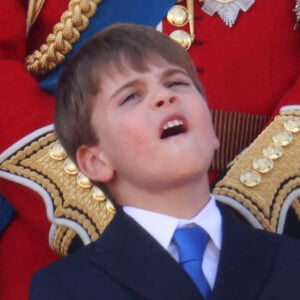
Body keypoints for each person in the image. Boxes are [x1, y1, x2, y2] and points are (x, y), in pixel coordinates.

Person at [0, 2, 299, 299]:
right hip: (57, 244)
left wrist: (256, 199)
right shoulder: (58, 286)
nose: (165, 99)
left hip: (274, 239)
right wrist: (89, 204)